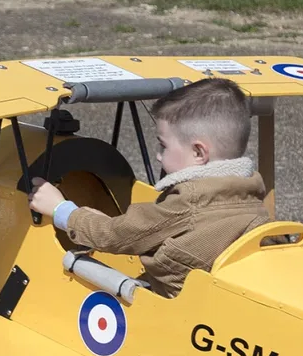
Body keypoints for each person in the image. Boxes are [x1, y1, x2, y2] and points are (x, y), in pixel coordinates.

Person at [28, 77, 268, 298]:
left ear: (198, 152)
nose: (158, 156)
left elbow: (115, 235)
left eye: (163, 146)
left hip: (172, 310)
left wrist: (62, 210)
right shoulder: (250, 192)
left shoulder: (186, 203)